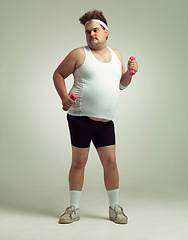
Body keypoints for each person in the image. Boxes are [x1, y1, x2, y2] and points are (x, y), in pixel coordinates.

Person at [53, 9, 138, 224]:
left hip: (106, 121)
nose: (92, 34)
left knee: (111, 164)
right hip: (80, 118)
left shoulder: (116, 54)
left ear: (106, 32)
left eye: (96, 30)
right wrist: (64, 97)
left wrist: (130, 73)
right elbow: (58, 74)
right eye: (88, 32)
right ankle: (73, 208)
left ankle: (114, 207)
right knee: (79, 163)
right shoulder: (79, 54)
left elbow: (121, 84)